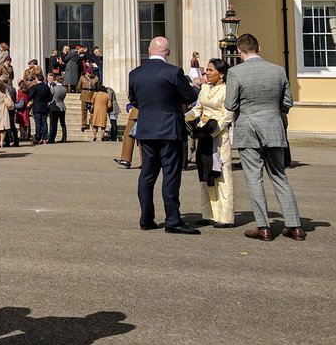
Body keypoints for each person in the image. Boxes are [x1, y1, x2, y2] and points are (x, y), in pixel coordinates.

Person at [225, 33, 305, 242]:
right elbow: (287, 102)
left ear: (239, 51)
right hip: (273, 127)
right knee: (279, 176)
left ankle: (264, 227)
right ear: (258, 48)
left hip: (248, 129)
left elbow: (230, 104)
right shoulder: (278, 70)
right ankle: (295, 226)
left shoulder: (235, 72)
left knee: (254, 178)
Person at [127, 37, 199, 233]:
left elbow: (134, 100)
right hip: (170, 129)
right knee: (171, 175)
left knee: (147, 174)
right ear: (168, 52)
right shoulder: (173, 72)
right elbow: (190, 96)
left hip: (147, 129)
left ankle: (146, 218)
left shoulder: (135, 73)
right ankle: (172, 219)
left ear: (149, 51)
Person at [187, 58, 235, 228]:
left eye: (210, 70)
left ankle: (225, 216)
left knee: (221, 174)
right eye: (206, 70)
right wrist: (183, 117)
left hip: (218, 137)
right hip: (203, 134)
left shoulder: (227, 90)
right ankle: (208, 213)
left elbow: (228, 115)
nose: (206, 73)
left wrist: (213, 130)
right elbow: (197, 109)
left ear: (221, 74)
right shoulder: (205, 88)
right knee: (204, 173)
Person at [27, 76, 52, 144]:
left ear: (36, 79)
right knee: (44, 123)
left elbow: (30, 96)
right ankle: (44, 138)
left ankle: (37, 138)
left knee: (38, 123)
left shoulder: (35, 87)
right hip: (44, 107)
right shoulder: (47, 87)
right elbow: (50, 97)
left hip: (37, 107)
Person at [78, 65, 99, 132]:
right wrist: (83, 91)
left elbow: (98, 87)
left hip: (92, 96)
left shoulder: (96, 78)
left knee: (92, 111)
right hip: (84, 96)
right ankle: (84, 124)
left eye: (91, 73)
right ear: (86, 72)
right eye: (88, 73)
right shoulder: (82, 78)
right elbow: (79, 87)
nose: (90, 74)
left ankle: (92, 123)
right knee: (84, 111)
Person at [48, 77, 68, 143]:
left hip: (55, 106)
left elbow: (50, 96)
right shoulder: (64, 89)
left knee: (54, 123)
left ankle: (52, 138)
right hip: (62, 106)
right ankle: (64, 137)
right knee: (63, 123)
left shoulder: (54, 88)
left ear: (56, 81)